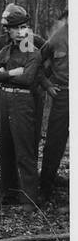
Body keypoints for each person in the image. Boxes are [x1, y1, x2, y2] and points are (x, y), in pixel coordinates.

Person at [0, 8, 41, 207]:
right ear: (7, 31)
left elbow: (27, 78)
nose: (20, 32)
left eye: (24, 27)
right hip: (3, 99)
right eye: (15, 28)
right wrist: (10, 74)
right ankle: (7, 194)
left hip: (22, 101)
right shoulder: (5, 50)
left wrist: (4, 73)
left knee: (24, 150)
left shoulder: (33, 52)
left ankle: (29, 199)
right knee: (5, 149)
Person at [38, 13, 67, 203]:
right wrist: (47, 84)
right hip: (65, 94)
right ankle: (45, 189)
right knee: (54, 143)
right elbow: (36, 64)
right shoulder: (56, 38)